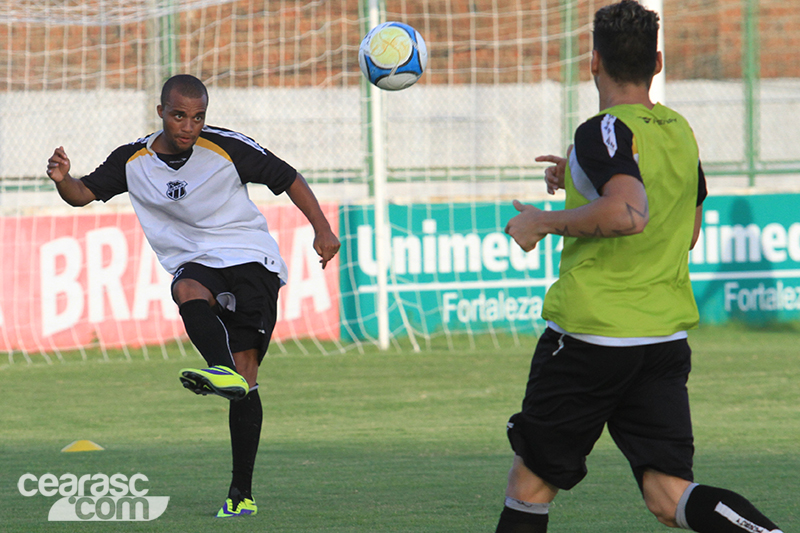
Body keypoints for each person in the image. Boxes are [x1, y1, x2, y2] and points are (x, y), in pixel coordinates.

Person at [496, 2, 783, 532]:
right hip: (661, 341)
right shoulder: (678, 131)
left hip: (592, 339)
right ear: (656, 62)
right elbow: (687, 228)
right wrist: (582, 175)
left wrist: (543, 221)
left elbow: (627, 212)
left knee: (530, 484)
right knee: (666, 493)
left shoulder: (602, 128)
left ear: (593, 62)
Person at [46, 74, 340, 518]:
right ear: (161, 111)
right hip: (198, 263)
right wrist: (62, 178)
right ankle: (219, 370)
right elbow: (82, 194)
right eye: (179, 115)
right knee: (186, 288)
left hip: (250, 259)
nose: (189, 126)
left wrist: (321, 228)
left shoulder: (226, 147)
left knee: (247, 378)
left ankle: (241, 493)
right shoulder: (132, 160)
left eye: (198, 117)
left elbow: (287, 177)